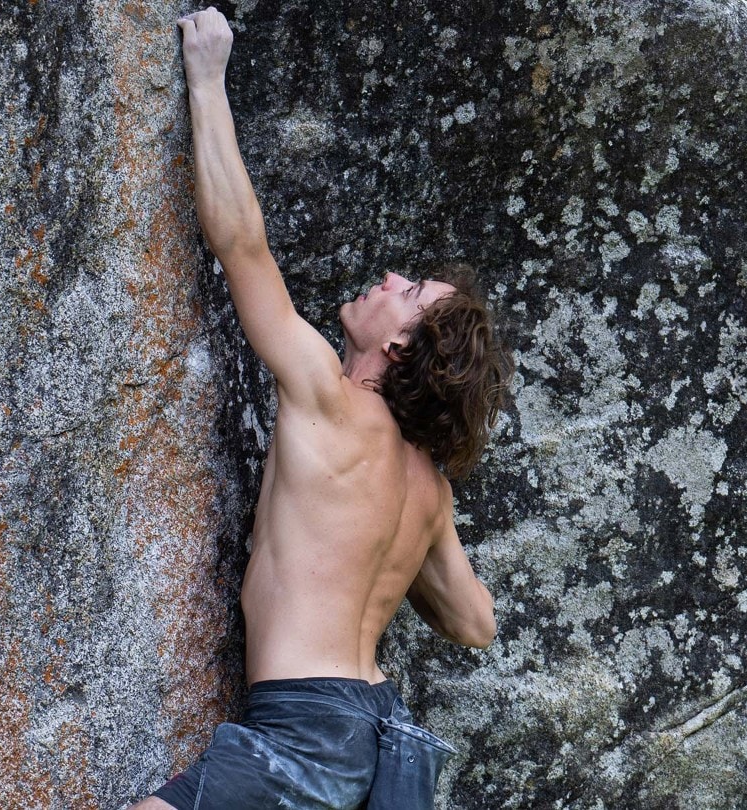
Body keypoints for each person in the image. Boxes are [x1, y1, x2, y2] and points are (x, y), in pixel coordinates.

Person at [134, 7, 511, 809]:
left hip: (309, 729)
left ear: (401, 350)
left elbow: (241, 245)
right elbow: (476, 623)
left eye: (404, 293)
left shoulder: (330, 401)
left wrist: (207, 80)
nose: (386, 280)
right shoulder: (429, 493)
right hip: (390, 746)